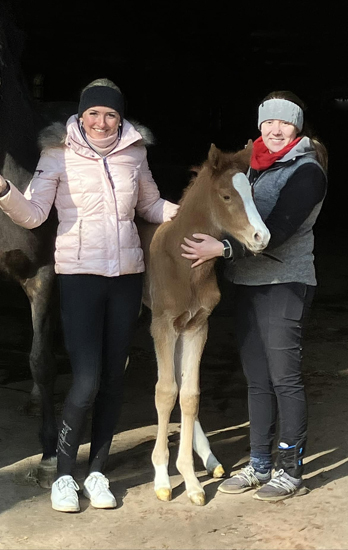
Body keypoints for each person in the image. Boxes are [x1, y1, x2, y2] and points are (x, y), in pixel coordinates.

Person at [0, 78, 179, 512]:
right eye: (93, 114)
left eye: (110, 115)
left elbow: (151, 207)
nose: (101, 122)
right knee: (86, 381)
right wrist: (5, 192)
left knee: (115, 378)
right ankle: (64, 473)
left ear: (121, 119)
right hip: (80, 277)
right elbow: (35, 213)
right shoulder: (56, 155)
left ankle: (97, 471)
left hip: (126, 277)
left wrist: (190, 214)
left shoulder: (135, 154)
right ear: (80, 118)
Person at [181, 90, 328, 502]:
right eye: (269, 122)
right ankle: (259, 462)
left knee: (284, 378)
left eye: (285, 122)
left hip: (285, 284)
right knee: (258, 380)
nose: (276, 129)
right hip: (246, 282)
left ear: (297, 126)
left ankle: (289, 467)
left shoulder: (307, 171)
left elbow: (279, 229)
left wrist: (222, 249)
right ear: (260, 125)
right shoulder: (250, 167)